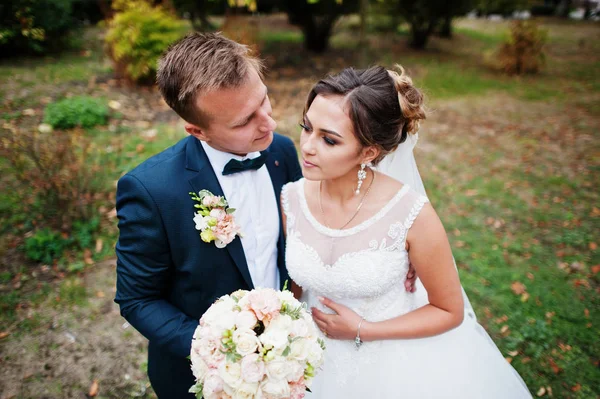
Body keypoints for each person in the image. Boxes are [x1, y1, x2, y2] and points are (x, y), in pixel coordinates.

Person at [282, 65, 532, 398]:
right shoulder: (291, 198)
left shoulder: (411, 214)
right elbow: (297, 289)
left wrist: (363, 330)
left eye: (328, 139)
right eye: (307, 127)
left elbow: (449, 311)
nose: (308, 147)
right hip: (310, 362)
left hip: (391, 367)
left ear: (369, 152)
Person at [113, 32, 306, 397]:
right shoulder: (152, 191)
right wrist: (220, 353)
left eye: (264, 100)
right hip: (204, 380)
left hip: (287, 363)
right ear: (197, 130)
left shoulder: (280, 151)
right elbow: (137, 299)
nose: (269, 124)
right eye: (244, 121)